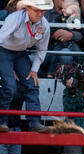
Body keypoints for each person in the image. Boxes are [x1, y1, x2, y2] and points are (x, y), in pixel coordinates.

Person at [0, 0, 52, 133]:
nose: (40, 14)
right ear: (28, 9)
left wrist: (34, 70)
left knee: (32, 83)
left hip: (20, 53)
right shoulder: (14, 18)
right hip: (4, 51)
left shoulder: (44, 25)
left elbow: (42, 49)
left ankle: (35, 122)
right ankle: (1, 121)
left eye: (42, 11)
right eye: (37, 10)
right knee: (9, 87)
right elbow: (1, 37)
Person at [43, 0, 83, 77]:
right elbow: (51, 30)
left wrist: (72, 35)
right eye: (63, 8)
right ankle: (50, 73)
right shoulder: (57, 17)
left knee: (71, 54)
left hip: (72, 45)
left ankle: (77, 75)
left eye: (66, 8)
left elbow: (82, 33)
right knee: (55, 53)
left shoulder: (78, 18)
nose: (63, 10)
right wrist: (54, 34)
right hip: (56, 44)